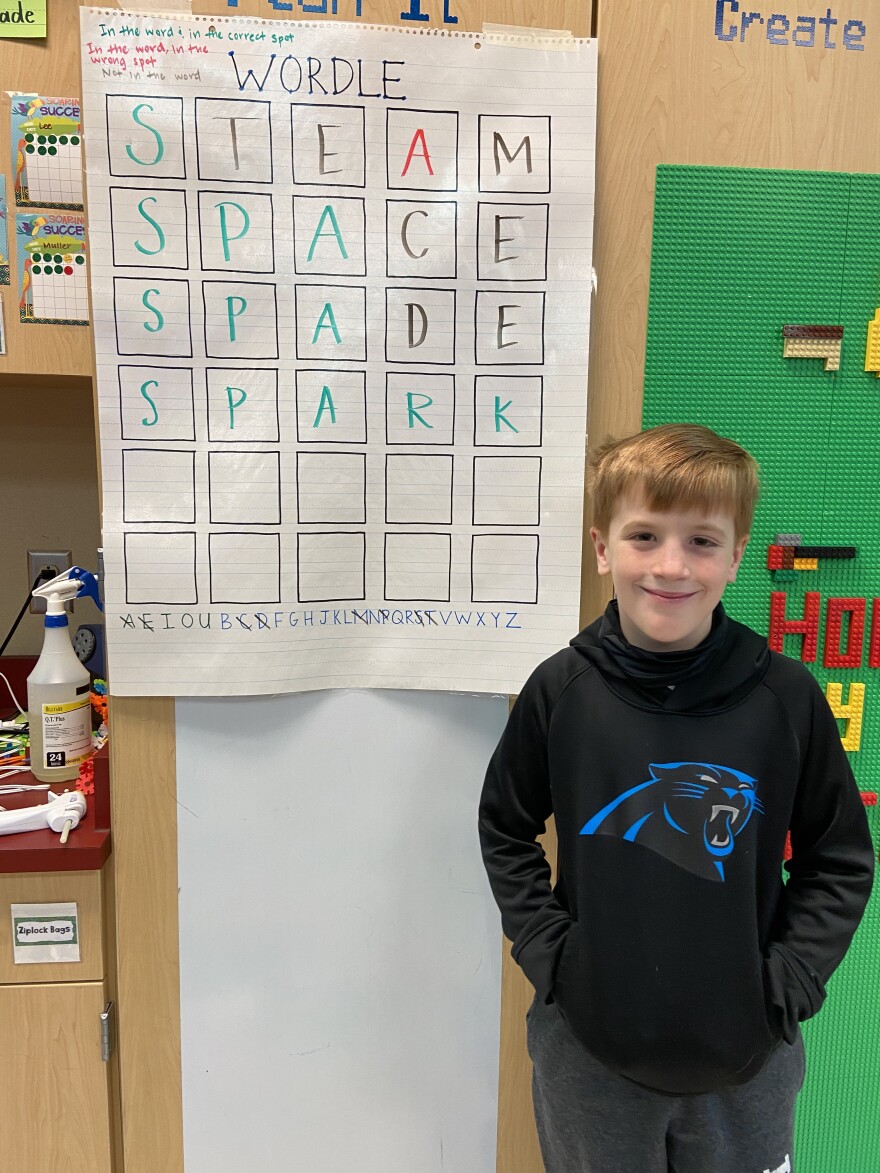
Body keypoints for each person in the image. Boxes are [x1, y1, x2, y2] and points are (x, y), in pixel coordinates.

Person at [478, 423, 875, 1173]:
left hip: (746, 1060)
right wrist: (555, 959)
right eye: (643, 535)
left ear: (736, 556)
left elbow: (841, 858)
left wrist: (786, 982)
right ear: (602, 548)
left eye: (700, 540)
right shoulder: (560, 691)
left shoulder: (786, 698)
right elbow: (505, 826)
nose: (669, 565)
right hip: (589, 1056)